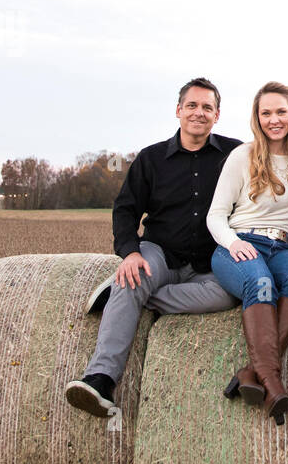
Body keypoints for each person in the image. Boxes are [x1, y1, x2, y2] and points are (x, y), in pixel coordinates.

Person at [65, 77, 241, 416]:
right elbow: (126, 209)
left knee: (228, 295)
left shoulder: (234, 154)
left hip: (209, 262)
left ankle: (123, 297)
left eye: (207, 107)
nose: (199, 113)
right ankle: (100, 378)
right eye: (192, 105)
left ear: (217, 115)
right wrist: (130, 252)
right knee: (134, 276)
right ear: (178, 110)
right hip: (159, 252)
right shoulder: (151, 159)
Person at [208, 82, 288, 425]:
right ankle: (273, 383)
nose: (274, 119)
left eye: (280, 111)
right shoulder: (243, 155)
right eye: (266, 113)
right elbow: (215, 215)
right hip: (239, 243)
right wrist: (233, 243)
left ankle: (251, 372)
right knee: (262, 282)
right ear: (257, 117)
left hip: (283, 246)